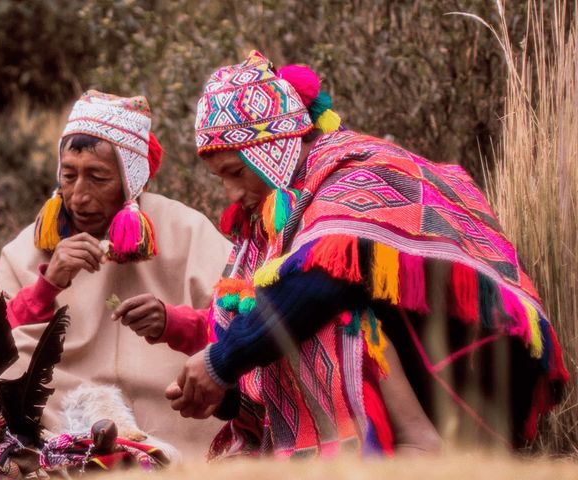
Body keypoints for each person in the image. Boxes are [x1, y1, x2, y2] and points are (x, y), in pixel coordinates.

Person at [167, 51, 569, 457]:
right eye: (221, 179)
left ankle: (418, 445)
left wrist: (222, 361)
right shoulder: (277, 215)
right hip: (421, 372)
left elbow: (321, 282)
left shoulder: (358, 168)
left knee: (317, 308)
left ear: (270, 151)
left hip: (473, 375)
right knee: (284, 311)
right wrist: (227, 396)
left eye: (236, 173)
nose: (232, 195)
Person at [0, 91, 232, 459]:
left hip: (169, 411)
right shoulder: (30, 246)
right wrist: (47, 286)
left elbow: (238, 331)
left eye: (97, 177)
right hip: (58, 414)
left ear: (131, 181)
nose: (78, 196)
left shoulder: (185, 231)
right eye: (69, 175)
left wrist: (171, 322)